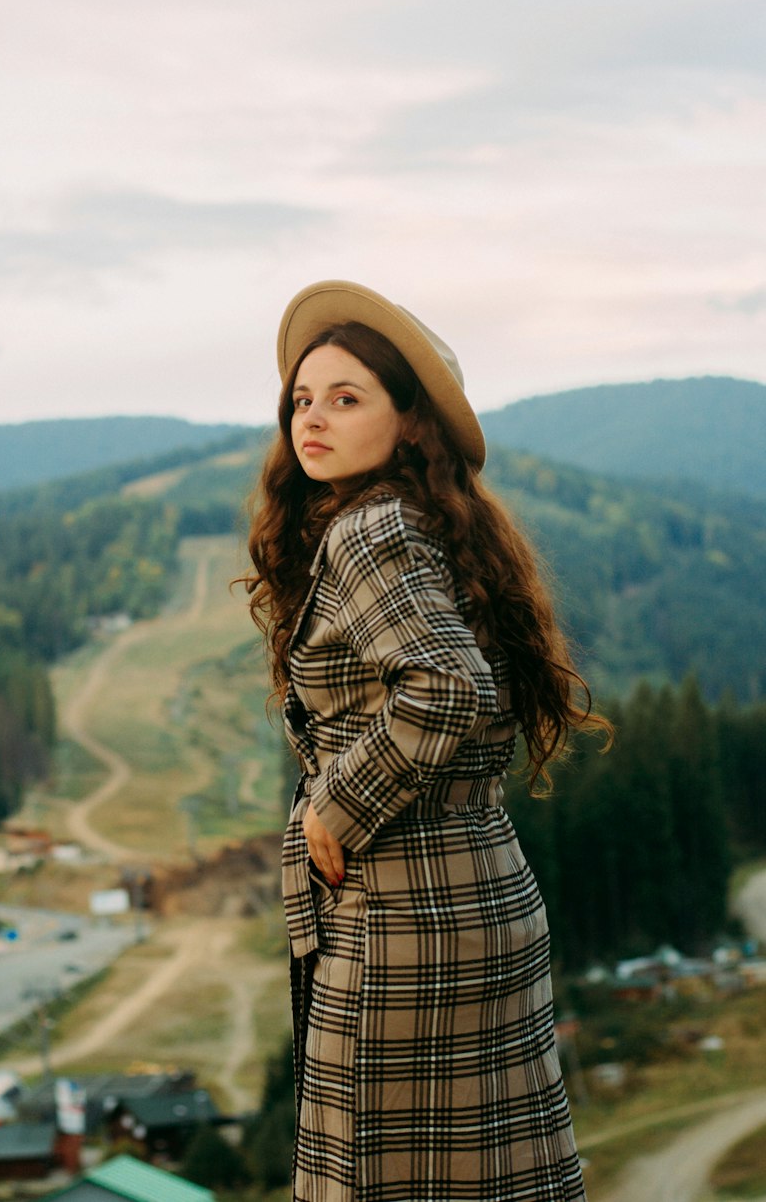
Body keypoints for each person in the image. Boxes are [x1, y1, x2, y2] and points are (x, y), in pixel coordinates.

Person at [244, 280, 611, 1202]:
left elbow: (447, 688)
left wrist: (337, 802)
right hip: (481, 895)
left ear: (411, 424)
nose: (312, 418)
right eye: (302, 399)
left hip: (399, 921)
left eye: (346, 397)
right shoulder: (433, 525)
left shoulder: (368, 532)